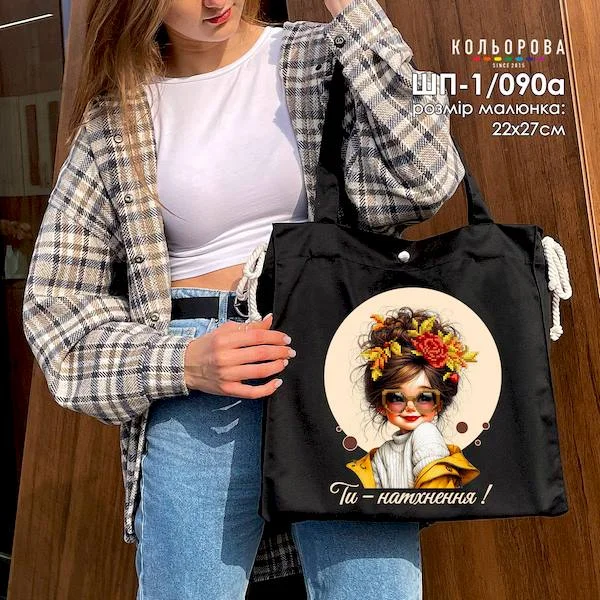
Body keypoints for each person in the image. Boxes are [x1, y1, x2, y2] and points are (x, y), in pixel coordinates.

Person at [22, 0, 465, 598]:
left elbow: (428, 178)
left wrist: (356, 12)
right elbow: (57, 307)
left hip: (337, 362)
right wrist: (181, 362)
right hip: (202, 376)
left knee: (375, 588)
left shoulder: (319, 56)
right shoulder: (115, 119)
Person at [347, 310, 480, 489]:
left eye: (424, 397)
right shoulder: (381, 455)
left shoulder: (426, 434)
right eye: (396, 397)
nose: (410, 407)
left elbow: (434, 497)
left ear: (438, 404)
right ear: (381, 405)